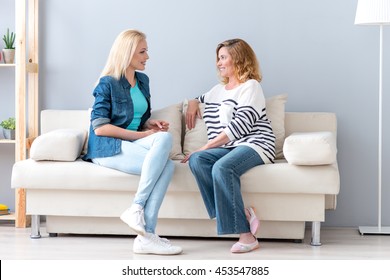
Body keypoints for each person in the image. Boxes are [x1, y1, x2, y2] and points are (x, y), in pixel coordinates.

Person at [83, 29, 182, 255]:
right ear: (127, 53)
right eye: (143, 51)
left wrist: (150, 125)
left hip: (132, 142)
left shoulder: (143, 81)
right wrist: (142, 136)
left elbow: (137, 120)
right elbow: (100, 128)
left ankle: (141, 224)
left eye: (147, 51)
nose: (147, 57)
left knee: (165, 141)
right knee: (166, 166)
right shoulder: (107, 83)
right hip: (107, 147)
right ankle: (144, 227)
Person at [182, 39, 275, 253]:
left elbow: (240, 127)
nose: (218, 63)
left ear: (239, 59)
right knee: (197, 160)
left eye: (223, 57)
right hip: (228, 147)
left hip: (255, 144)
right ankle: (241, 214)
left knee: (222, 167)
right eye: (218, 58)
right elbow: (198, 98)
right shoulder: (217, 90)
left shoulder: (251, 87)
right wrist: (194, 102)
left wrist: (205, 146)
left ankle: (247, 237)